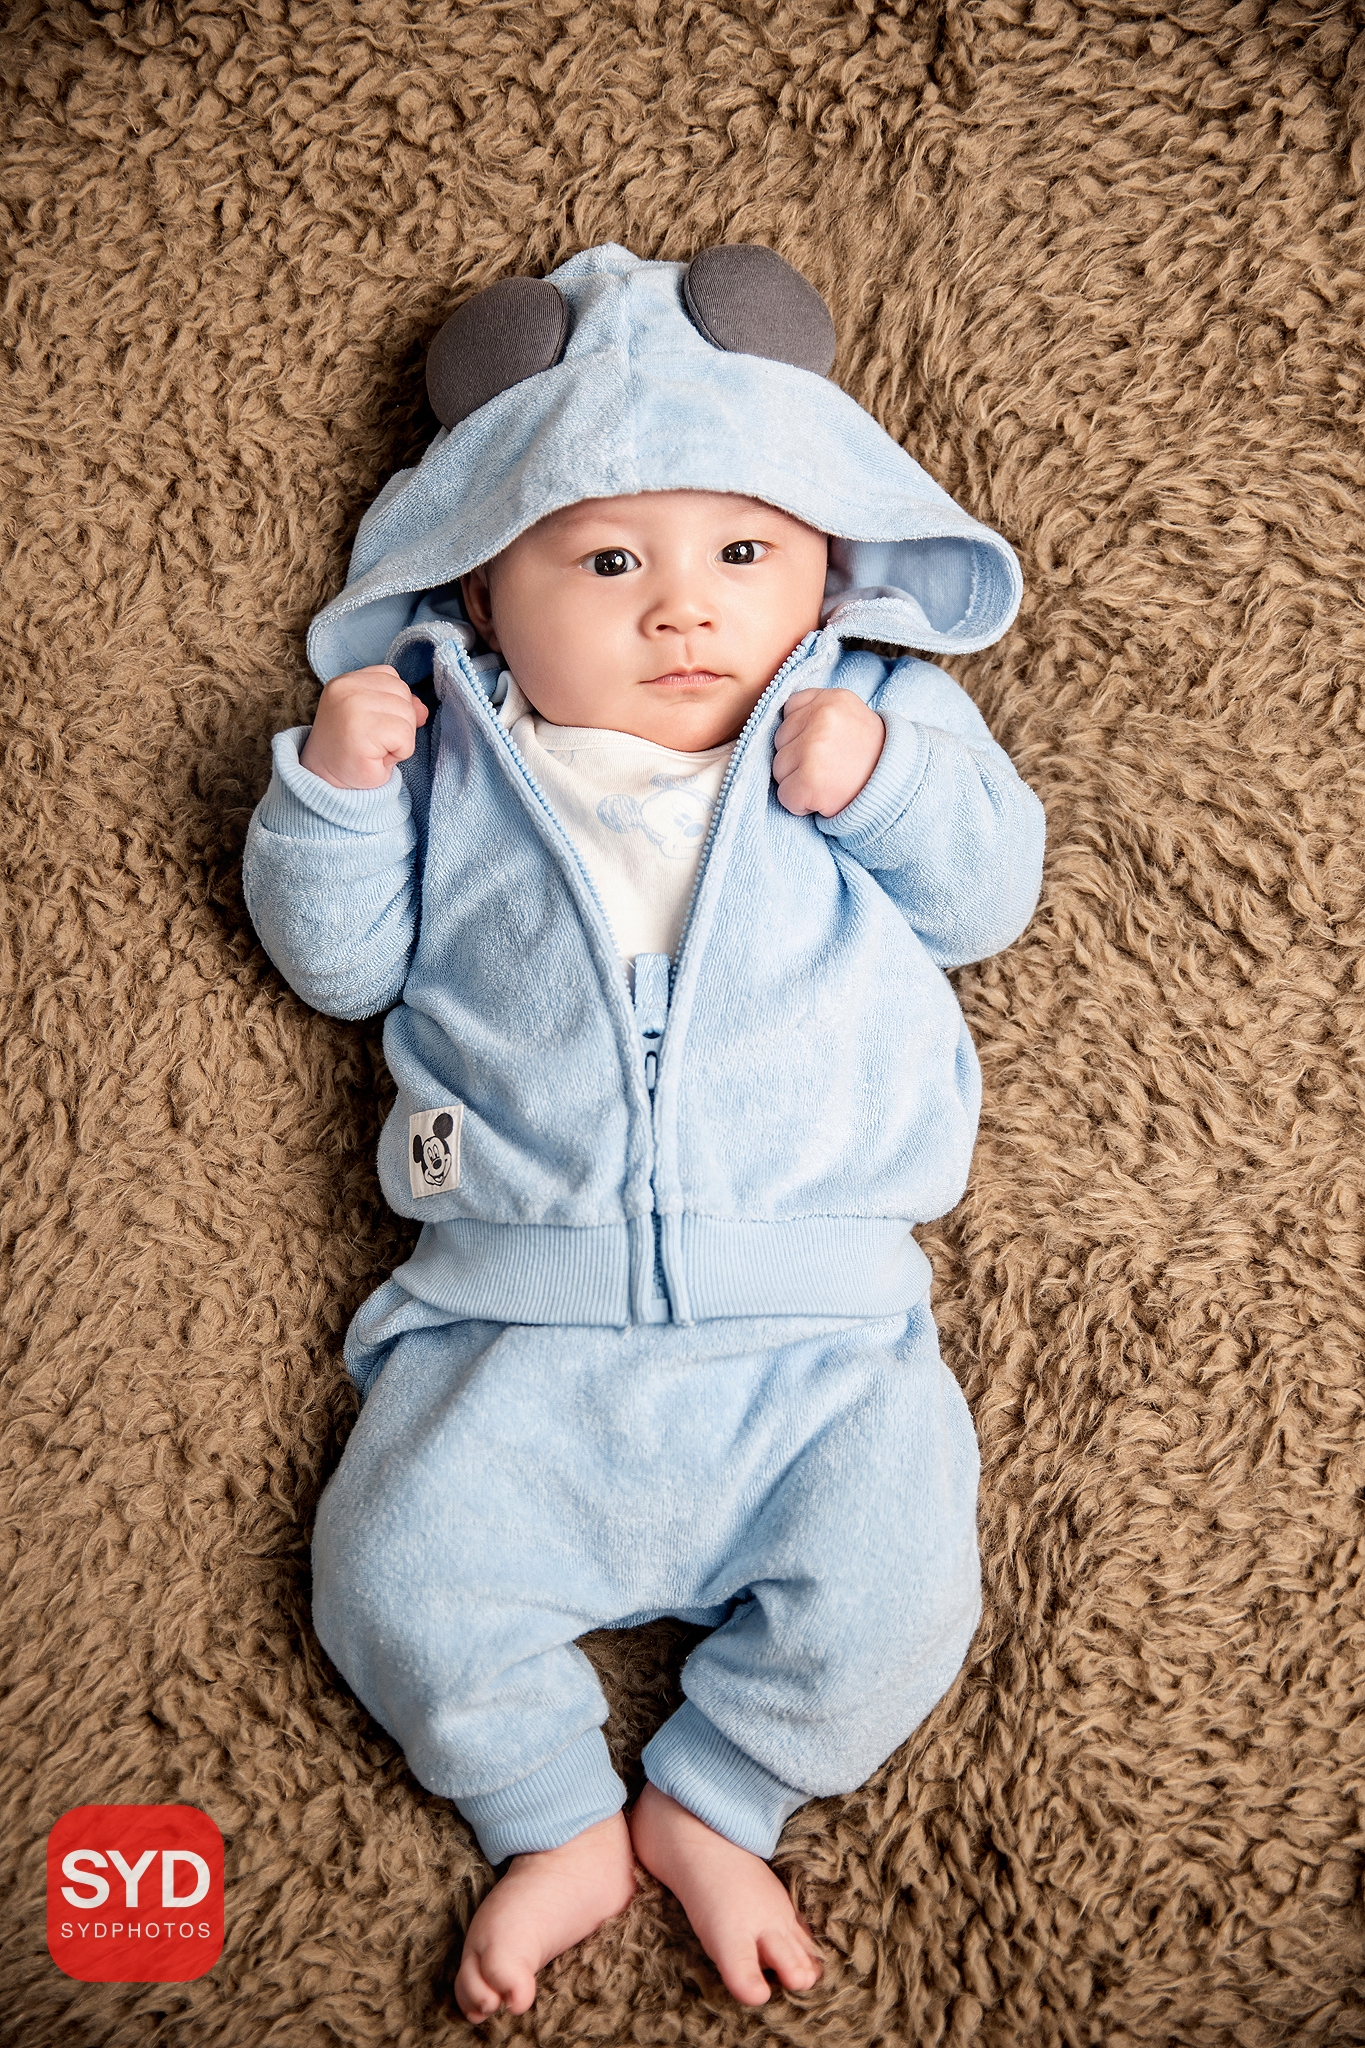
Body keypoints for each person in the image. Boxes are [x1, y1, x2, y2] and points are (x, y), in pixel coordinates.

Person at [242, 242, 1045, 2022]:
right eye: (609, 563)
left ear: (826, 559)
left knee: (898, 1597)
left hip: (819, 1336)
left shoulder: (874, 706)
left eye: (741, 555)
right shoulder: (449, 745)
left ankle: (717, 1799)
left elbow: (987, 894)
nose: (682, 611)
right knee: (389, 1581)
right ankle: (549, 1818)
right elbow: (338, 965)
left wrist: (882, 780)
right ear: (482, 588)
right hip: (508, 1326)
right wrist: (336, 792)